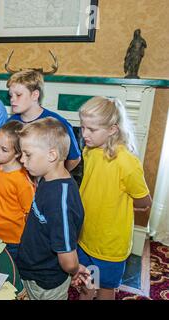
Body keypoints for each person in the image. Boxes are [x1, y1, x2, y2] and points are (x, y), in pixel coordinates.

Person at [77, 97, 152, 300]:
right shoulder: (89, 151)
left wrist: (119, 206)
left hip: (110, 243)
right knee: (86, 281)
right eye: (83, 127)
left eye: (91, 129)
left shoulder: (127, 162)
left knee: (106, 289)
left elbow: (145, 202)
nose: (84, 134)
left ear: (112, 129)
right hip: (85, 235)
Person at [16, 118, 89, 300]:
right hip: (32, 269)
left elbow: (68, 259)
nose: (22, 160)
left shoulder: (61, 201)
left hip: (46, 282)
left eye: (27, 154)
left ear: (52, 155)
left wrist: (76, 269)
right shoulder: (46, 178)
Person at [6, 70, 81, 172]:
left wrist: (54, 176)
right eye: (11, 95)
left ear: (35, 95)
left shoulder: (58, 123)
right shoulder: (10, 123)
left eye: (18, 95)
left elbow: (74, 158)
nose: (12, 99)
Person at [0, 121, 35, 262]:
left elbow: (30, 213)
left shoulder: (22, 180)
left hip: (12, 240)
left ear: (18, 153)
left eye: (3, 149)